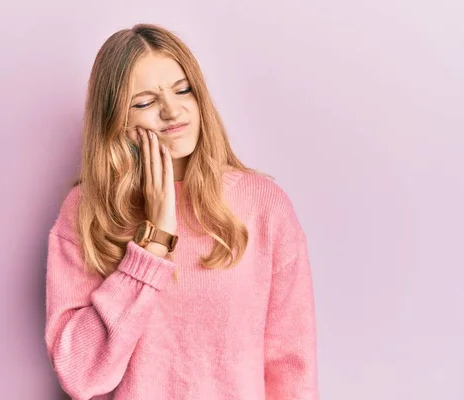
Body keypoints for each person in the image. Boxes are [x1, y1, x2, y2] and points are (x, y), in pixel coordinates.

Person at [45, 23, 319, 400]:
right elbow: (81, 374)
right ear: (116, 122)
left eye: (182, 89)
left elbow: (291, 367)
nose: (171, 110)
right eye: (144, 102)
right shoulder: (86, 213)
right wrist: (154, 242)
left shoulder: (263, 205)